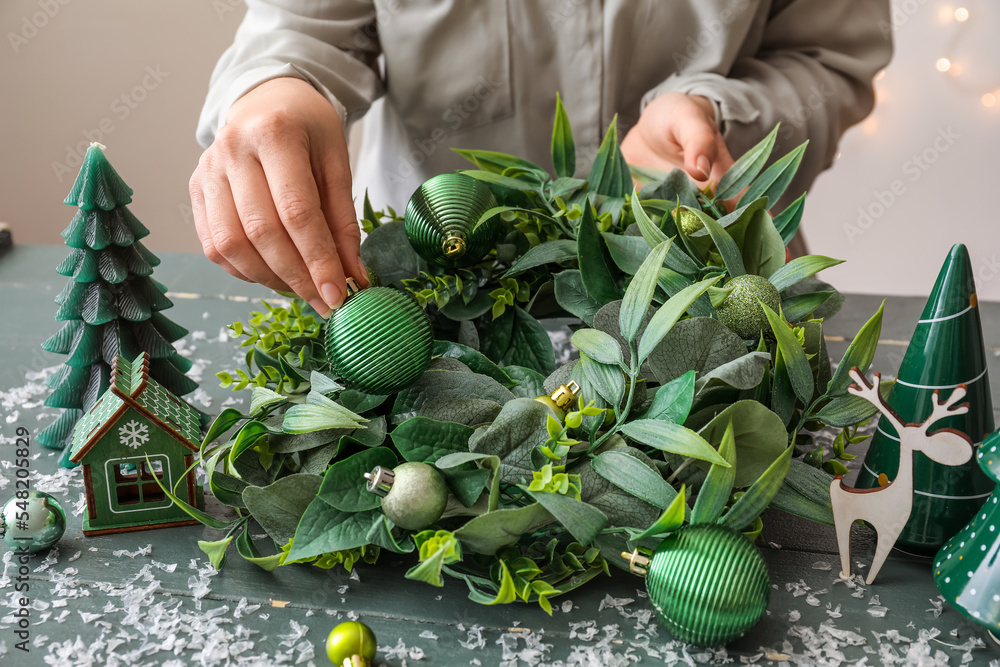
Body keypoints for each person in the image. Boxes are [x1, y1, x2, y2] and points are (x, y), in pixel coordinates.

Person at [192, 0, 892, 317]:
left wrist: (716, 117)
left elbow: (831, 62)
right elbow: (300, 28)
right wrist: (274, 91)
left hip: (709, 295)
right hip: (430, 304)